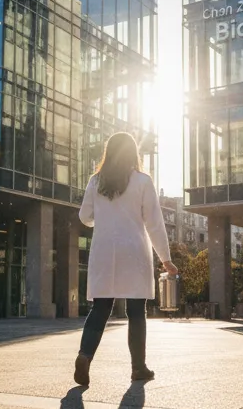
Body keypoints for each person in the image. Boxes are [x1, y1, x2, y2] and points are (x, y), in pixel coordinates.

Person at [74, 132, 178, 386]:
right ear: (133, 153)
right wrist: (166, 258)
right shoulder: (142, 181)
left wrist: (105, 217)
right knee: (135, 311)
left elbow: (84, 216)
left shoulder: (96, 181)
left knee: (100, 308)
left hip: (103, 251)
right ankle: (138, 368)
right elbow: (154, 223)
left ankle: (84, 355)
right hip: (133, 251)